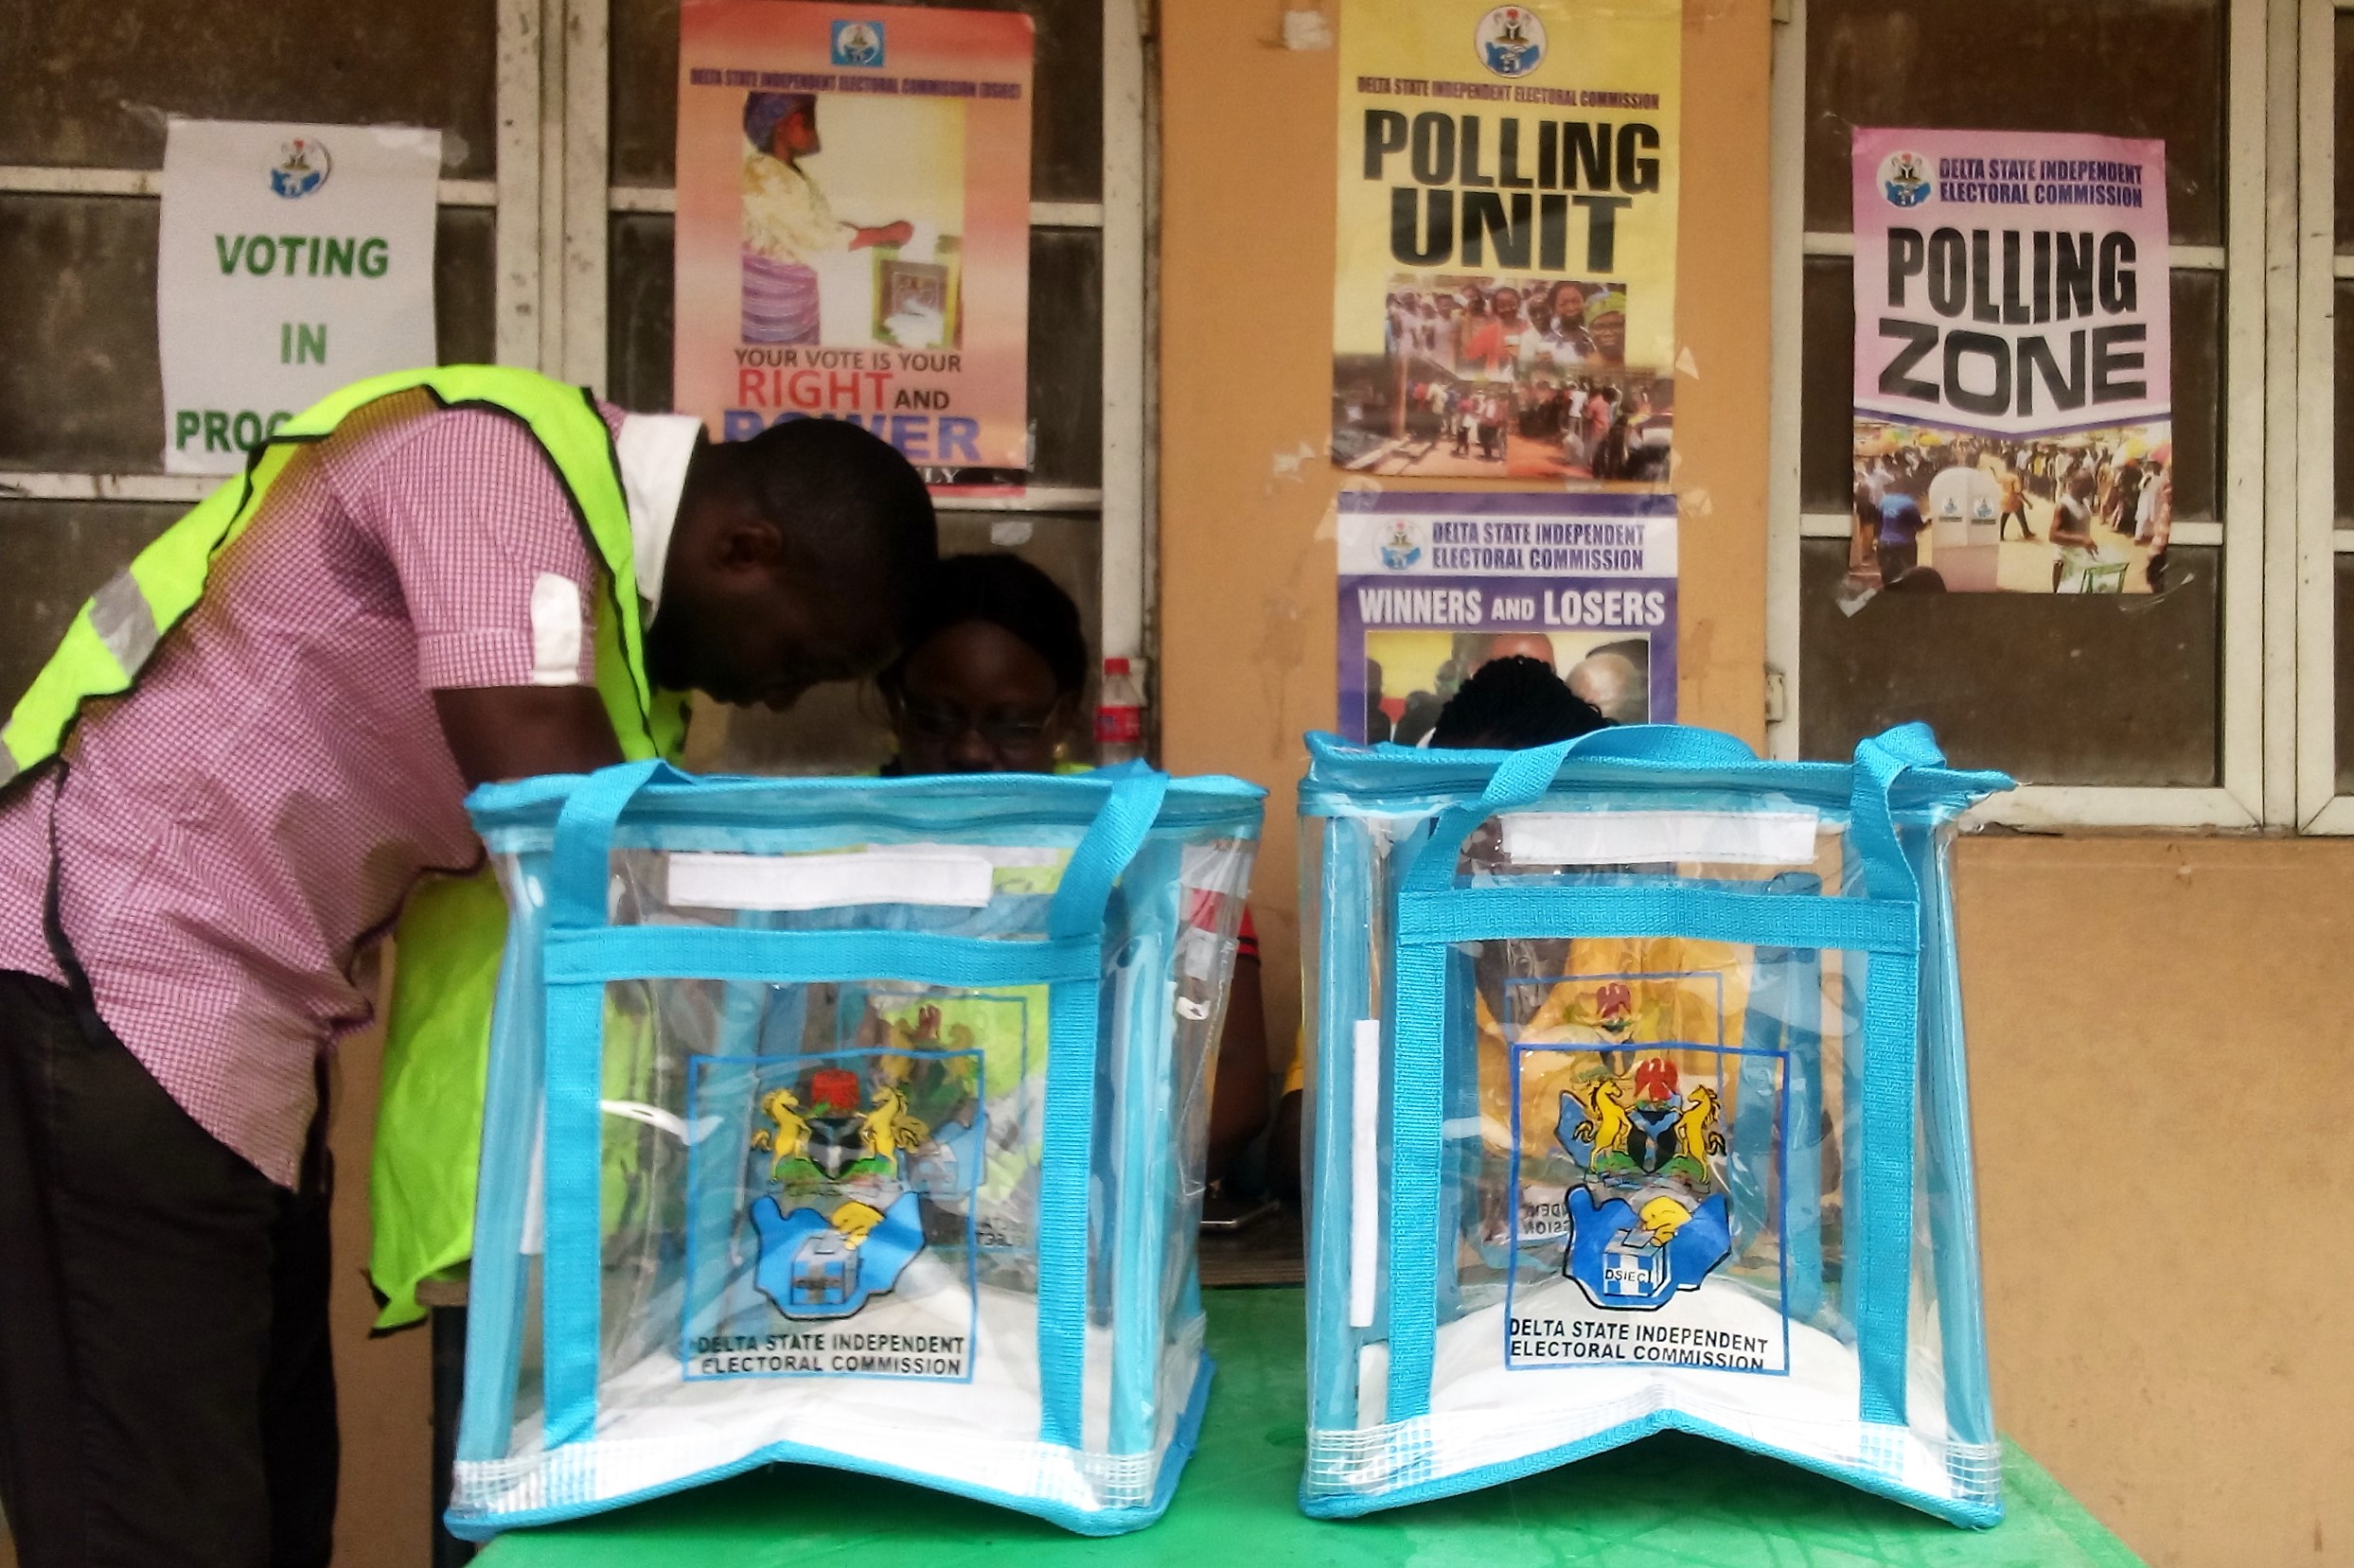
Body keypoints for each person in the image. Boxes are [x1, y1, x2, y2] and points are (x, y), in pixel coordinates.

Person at [0, 368, 937, 1568]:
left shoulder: (600, 614)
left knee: (267, 1505)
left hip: (237, 1038)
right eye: (804, 656)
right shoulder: (493, 467)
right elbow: (558, 806)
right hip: (110, 984)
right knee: (152, 1518)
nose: (775, 691)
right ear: (746, 547)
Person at [877, 554, 1270, 1183]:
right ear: (891, 704)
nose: (972, 751)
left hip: (1084, 1210)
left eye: (1012, 725)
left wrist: (1057, 1172)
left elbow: (1232, 1085)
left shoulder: (1149, 853)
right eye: (937, 719)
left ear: (1064, 714)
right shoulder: (835, 860)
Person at [1269, 657, 1607, 1203]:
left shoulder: (1650, 948)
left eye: (1525, 824)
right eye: (1467, 820)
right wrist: (1441, 1171)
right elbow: (1293, 1159)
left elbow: (1724, 1141)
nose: (1493, 849)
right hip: (1428, 1268)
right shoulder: (1382, 947)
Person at [741, 92, 914, 345]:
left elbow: (816, 227)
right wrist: (887, 233)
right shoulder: (764, 176)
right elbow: (821, 240)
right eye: (805, 121)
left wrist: (871, 234)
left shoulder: (784, 174)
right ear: (779, 127)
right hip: (773, 309)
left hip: (797, 302)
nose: (813, 131)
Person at [2050, 468, 2099, 590]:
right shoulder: (2064, 505)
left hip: (2079, 560)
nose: (2089, 490)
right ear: (2076, 484)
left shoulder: (2085, 503)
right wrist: (2081, 540)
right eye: (2087, 487)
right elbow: (2053, 536)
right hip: (2064, 562)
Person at [1876, 489, 1928, 583]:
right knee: (1909, 575)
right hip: (1905, 545)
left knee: (1886, 576)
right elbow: (1919, 526)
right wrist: (1928, 523)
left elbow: (1878, 521)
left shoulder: (1884, 500)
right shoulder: (1910, 504)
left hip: (1884, 543)